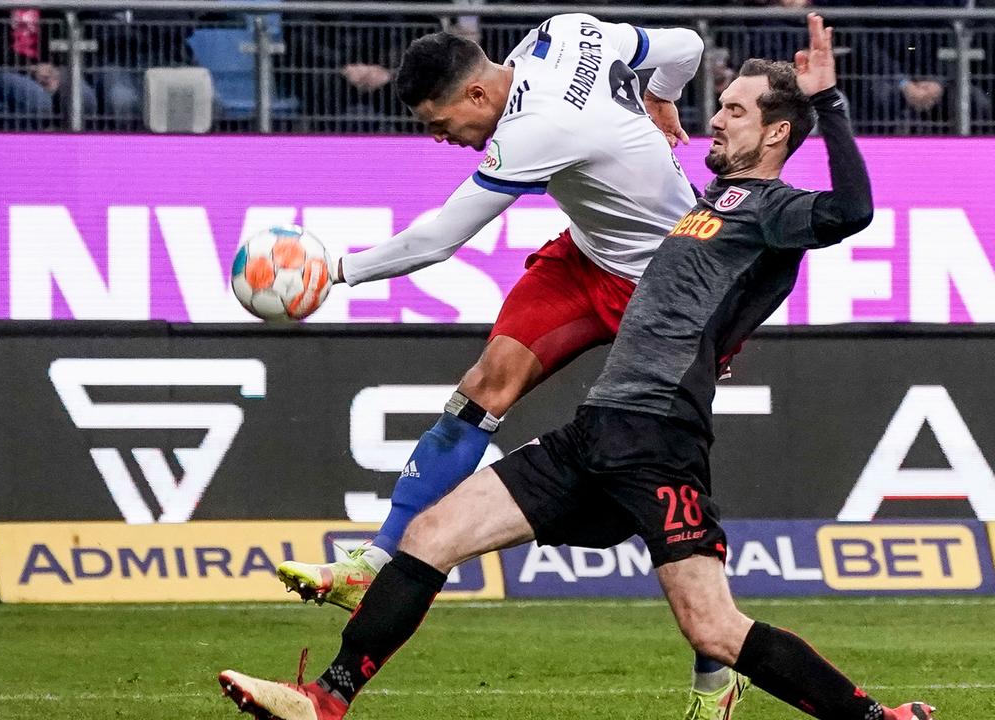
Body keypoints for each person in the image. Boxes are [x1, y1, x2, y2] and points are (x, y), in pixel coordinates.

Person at [221, 14, 937, 720]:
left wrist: (829, 102)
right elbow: (683, 48)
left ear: (776, 133)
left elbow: (851, 210)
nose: (714, 120)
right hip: (596, 426)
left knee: (714, 628)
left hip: (657, 438)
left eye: (735, 111)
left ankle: (866, 717)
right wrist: (659, 96)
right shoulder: (698, 188)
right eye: (718, 105)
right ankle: (324, 699)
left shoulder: (772, 210)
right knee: (431, 536)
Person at [273, 12, 748, 718]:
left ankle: (717, 674)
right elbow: (686, 46)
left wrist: (334, 271)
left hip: (669, 294)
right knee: (483, 387)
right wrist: (661, 96)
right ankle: (375, 563)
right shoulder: (565, 32)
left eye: (440, 124)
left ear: (475, 95)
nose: (440, 139)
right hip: (588, 257)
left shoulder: (535, 127)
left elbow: (439, 239)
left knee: (668, 475)